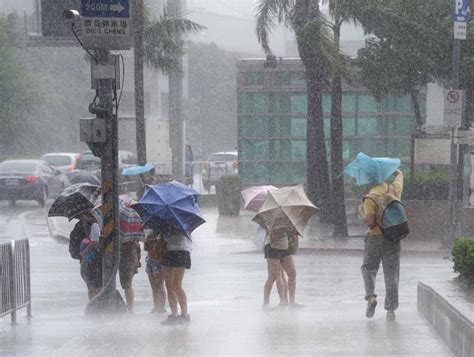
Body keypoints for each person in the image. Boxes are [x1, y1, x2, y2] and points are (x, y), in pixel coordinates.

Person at [358, 169, 403, 321]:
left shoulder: (370, 198)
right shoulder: (394, 189)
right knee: (391, 273)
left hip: (375, 238)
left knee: (368, 268)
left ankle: (371, 297)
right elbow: (399, 175)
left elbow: (370, 222)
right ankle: (391, 309)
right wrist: (394, 171)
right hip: (392, 236)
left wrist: (361, 211)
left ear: (370, 180)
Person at [262, 228, 303, 309]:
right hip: (272, 247)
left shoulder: (287, 219)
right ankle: (266, 303)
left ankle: (292, 301)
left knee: (292, 273)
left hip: (285, 247)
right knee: (273, 275)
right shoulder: (272, 219)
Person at [160, 225, 192, 325]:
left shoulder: (183, 221)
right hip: (168, 251)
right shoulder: (165, 221)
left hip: (181, 251)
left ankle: (185, 314)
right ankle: (173, 314)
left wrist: (172, 229)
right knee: (168, 285)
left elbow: (183, 234)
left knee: (176, 285)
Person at [78, 212, 102, 300]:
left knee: (93, 285)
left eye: (83, 215)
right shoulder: (89, 226)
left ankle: (94, 303)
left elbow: (95, 243)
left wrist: (84, 252)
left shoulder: (94, 225)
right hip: (91, 260)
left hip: (93, 260)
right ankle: (93, 302)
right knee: (91, 285)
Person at [144, 229, 167, 314]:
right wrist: (147, 241)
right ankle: (156, 306)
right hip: (150, 261)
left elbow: (164, 249)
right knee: (153, 286)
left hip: (159, 263)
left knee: (159, 285)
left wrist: (158, 241)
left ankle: (161, 307)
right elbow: (145, 248)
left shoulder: (164, 235)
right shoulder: (149, 233)